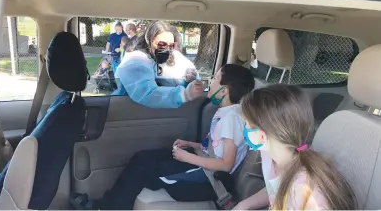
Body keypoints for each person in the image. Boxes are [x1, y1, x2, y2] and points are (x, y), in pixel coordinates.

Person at [99, 64, 255, 210]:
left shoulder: (232, 118)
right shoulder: (226, 112)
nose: (211, 81)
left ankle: (112, 207)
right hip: (203, 163)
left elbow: (226, 164)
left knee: (143, 171)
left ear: (224, 90)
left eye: (215, 78)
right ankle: (109, 204)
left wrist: (187, 157)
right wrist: (191, 145)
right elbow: (214, 147)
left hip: (209, 179)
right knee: (142, 158)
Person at [235, 85, 357, 210]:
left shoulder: (306, 190)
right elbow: (275, 189)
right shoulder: (269, 157)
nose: (244, 129)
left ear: (261, 136)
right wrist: (244, 205)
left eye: (247, 124)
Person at [113, 20, 204, 108]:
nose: (167, 49)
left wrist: (191, 80)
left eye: (171, 45)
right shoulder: (135, 60)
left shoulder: (175, 56)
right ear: (150, 40)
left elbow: (195, 80)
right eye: (162, 44)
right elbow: (148, 94)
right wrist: (184, 94)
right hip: (133, 112)